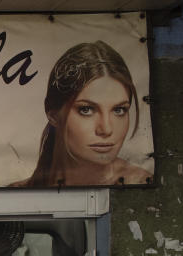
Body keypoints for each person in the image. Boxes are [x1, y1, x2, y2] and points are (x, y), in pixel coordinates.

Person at [14, 40, 152, 187]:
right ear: (53, 115)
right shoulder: (19, 191)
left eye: (119, 110)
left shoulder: (141, 183)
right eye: (86, 110)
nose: (106, 129)